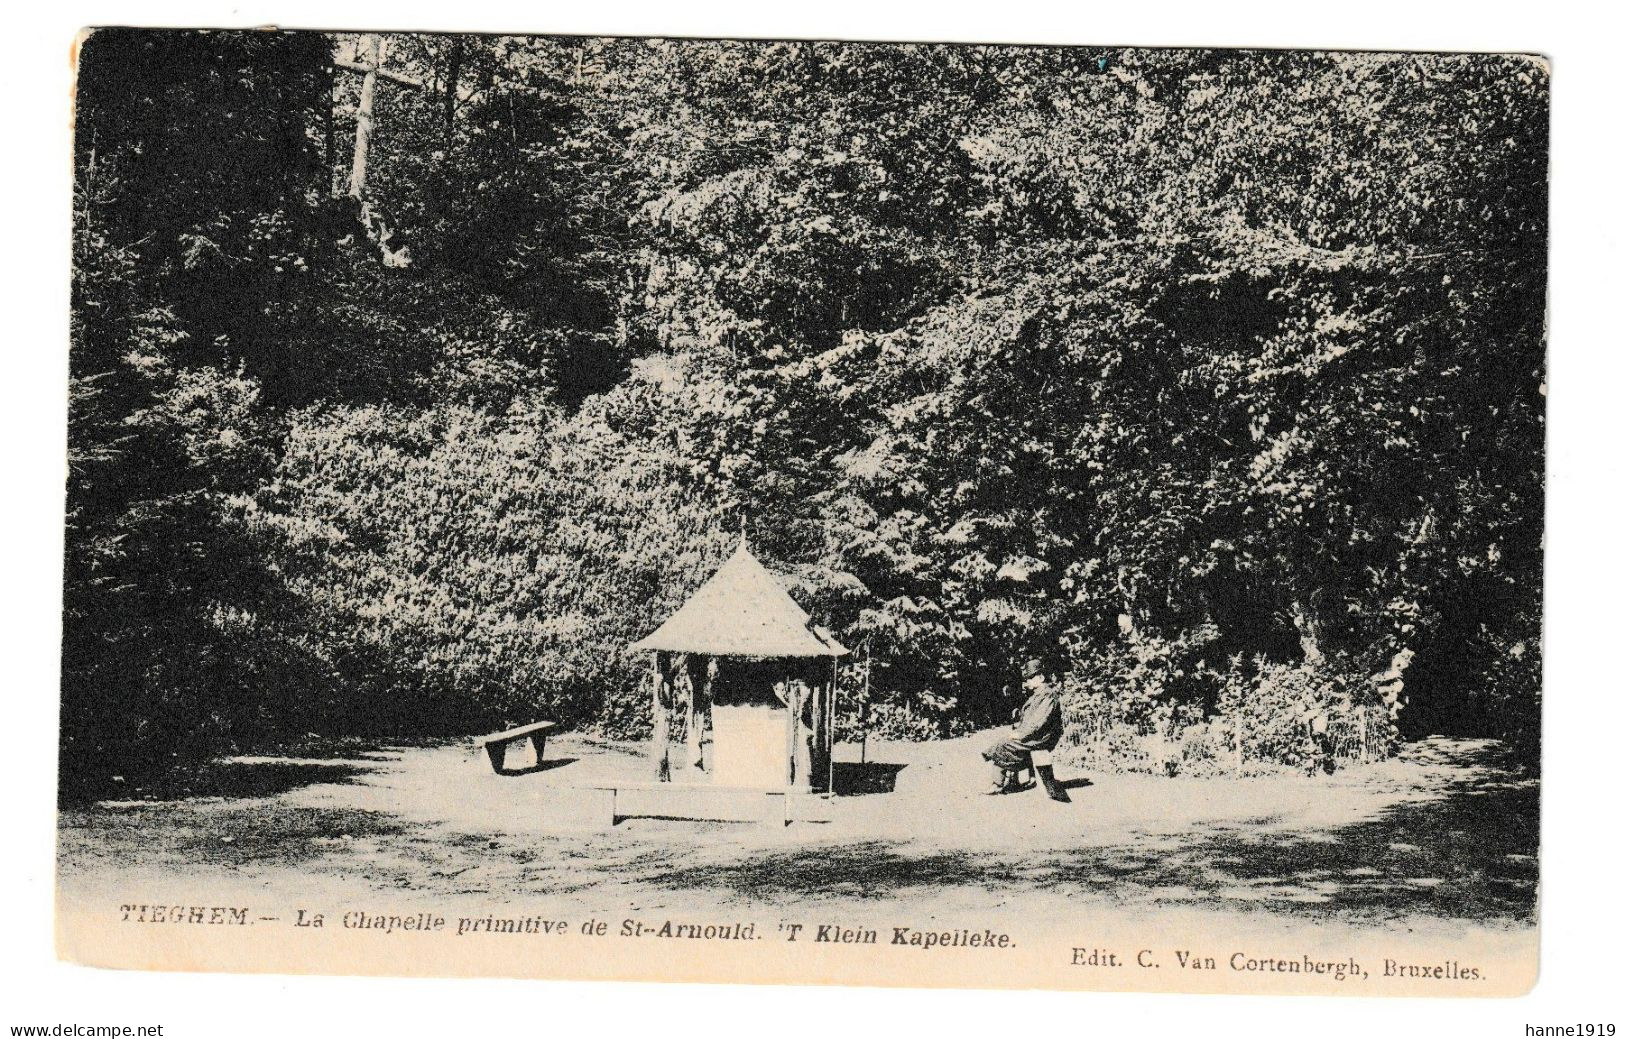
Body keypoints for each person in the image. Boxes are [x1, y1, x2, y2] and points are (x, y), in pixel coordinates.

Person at [982, 657, 1068, 800]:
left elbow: (1038, 723)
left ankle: (998, 783)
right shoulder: (1039, 694)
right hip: (1036, 735)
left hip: (1043, 737)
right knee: (1006, 742)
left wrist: (1020, 735)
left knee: (1005, 744)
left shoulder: (1048, 695)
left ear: (1040, 677)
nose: (1026, 682)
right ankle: (1010, 781)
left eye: (1029, 678)